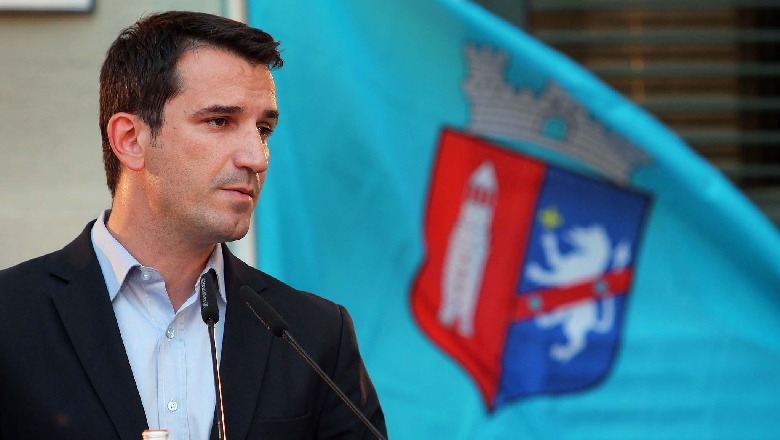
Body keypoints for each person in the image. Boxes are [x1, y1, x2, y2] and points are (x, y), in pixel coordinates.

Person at [0, 11, 386, 440]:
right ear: (130, 140)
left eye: (263, 130)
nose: (256, 158)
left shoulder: (313, 334)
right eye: (220, 122)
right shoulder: (11, 316)